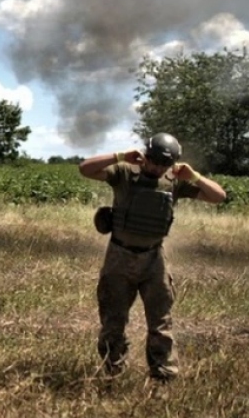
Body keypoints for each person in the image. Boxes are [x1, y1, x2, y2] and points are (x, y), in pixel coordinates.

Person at [78, 132, 227, 381]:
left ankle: (163, 377)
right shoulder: (125, 173)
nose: (158, 167)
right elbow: (85, 169)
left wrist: (195, 176)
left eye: (164, 164)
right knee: (113, 322)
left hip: (153, 261)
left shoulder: (174, 182)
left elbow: (218, 197)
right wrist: (120, 156)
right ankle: (112, 371)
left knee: (161, 323)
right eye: (154, 161)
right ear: (145, 155)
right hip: (119, 257)